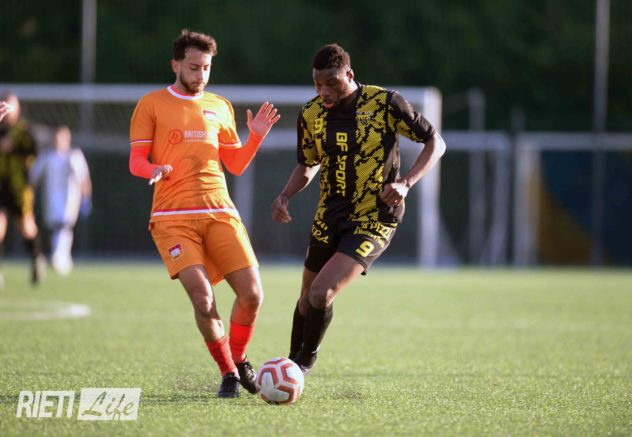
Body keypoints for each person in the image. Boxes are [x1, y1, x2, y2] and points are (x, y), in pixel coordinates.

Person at [271, 43, 446, 375]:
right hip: (328, 216)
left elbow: (435, 142)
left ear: (349, 75)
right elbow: (308, 164)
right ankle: (288, 367)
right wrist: (284, 196)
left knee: (321, 293)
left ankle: (302, 366)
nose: (324, 91)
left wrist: (406, 183)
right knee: (306, 297)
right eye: (317, 84)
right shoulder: (311, 113)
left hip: (374, 218)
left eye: (331, 83)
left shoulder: (384, 104)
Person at [129, 29, 280, 398]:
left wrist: (255, 136)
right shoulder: (151, 104)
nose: (200, 74)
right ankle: (229, 373)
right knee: (203, 298)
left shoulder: (220, 106)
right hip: (173, 219)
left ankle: (240, 359)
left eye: (206, 68)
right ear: (176, 65)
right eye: (194, 67)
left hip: (219, 212)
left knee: (253, 295)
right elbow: (136, 160)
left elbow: (236, 164)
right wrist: (154, 169)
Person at [30, 125, 92, 276]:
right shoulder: (47, 156)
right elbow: (34, 177)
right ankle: (63, 256)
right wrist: (29, 194)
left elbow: (84, 178)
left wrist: (86, 198)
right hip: (50, 197)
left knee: (64, 225)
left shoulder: (74, 155)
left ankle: (59, 256)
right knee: (58, 226)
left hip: (70, 198)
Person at [0, 93, 46, 288]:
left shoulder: (24, 131)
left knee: (26, 227)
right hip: (1, 185)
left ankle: (37, 258)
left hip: (19, 187)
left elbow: (36, 150)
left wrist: (13, 148)